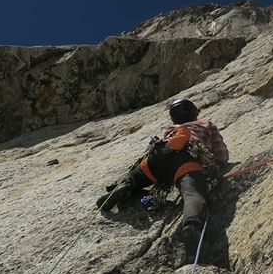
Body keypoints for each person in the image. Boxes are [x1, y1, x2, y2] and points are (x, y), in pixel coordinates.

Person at [96, 98, 229, 258]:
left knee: (137, 176)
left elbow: (169, 147)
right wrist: (218, 164)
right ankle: (191, 225)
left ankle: (125, 186)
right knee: (192, 193)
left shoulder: (172, 129)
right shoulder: (205, 124)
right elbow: (222, 156)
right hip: (186, 159)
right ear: (194, 113)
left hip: (159, 156)